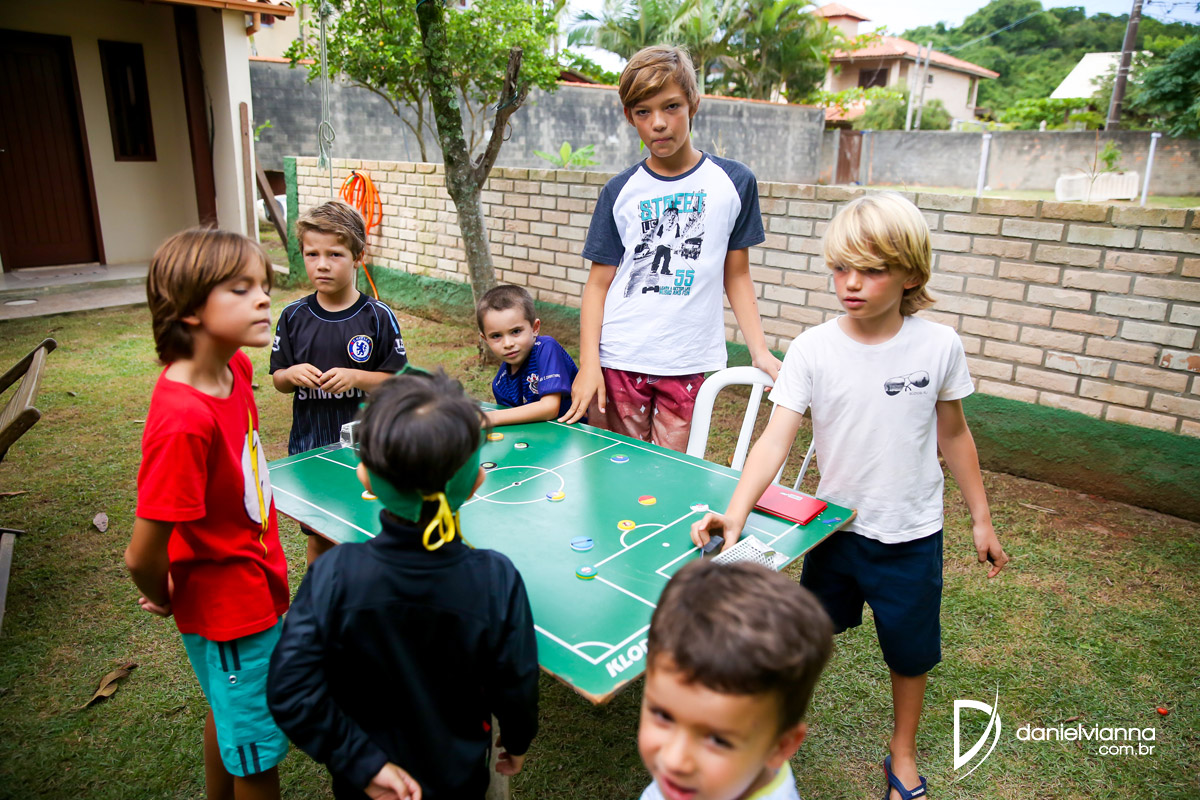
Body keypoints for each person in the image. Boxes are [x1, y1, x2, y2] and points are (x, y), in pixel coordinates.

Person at [690, 193, 1010, 800]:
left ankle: (902, 752)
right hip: (835, 530)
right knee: (809, 635)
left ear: (911, 273)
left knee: (909, 653)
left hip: (911, 534)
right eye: (840, 267)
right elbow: (774, 438)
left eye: (872, 269)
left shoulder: (939, 346)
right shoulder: (813, 348)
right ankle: (771, 729)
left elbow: (954, 433)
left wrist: (981, 518)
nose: (851, 283)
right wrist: (735, 513)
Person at [268, 368, 539, 800]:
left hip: (363, 787)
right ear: (476, 484)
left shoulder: (333, 574)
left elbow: (289, 687)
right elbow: (516, 681)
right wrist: (518, 739)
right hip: (460, 779)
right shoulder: (496, 578)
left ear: (364, 478)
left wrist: (362, 762)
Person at [126, 228, 289, 800]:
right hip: (229, 609)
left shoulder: (235, 367)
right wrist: (168, 592)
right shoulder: (182, 421)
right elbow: (141, 554)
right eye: (241, 289)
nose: (263, 298)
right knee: (257, 757)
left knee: (231, 713)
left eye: (263, 285)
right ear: (190, 309)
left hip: (256, 576)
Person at [562, 45, 780, 452]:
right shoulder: (620, 191)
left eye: (671, 107)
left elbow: (736, 274)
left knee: (671, 474)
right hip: (619, 360)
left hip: (689, 362)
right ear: (629, 117)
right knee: (614, 467)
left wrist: (760, 351)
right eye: (643, 112)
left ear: (693, 104)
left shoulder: (734, 182)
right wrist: (589, 363)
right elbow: (598, 285)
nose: (658, 123)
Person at [270, 200, 408, 563]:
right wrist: (291, 375)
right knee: (320, 533)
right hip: (310, 446)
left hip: (369, 449)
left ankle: (365, 589)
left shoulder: (378, 316)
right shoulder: (292, 316)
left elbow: (398, 383)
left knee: (367, 529)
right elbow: (279, 379)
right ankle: (321, 593)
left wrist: (357, 376)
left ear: (358, 256)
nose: (322, 264)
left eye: (334, 254)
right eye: (312, 254)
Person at [637, 560, 833, 800]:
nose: (674, 760)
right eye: (663, 716)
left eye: (717, 740)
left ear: (780, 746)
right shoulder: (687, 783)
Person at [476, 284, 580, 426]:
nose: (508, 343)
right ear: (485, 339)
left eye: (516, 331)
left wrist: (490, 418)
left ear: (535, 328)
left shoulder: (546, 348)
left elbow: (550, 408)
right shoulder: (500, 384)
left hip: (577, 434)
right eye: (496, 336)